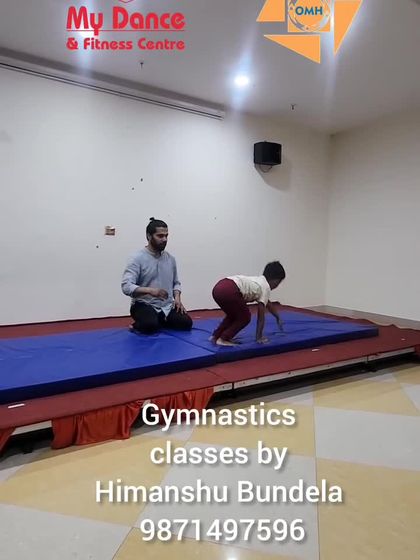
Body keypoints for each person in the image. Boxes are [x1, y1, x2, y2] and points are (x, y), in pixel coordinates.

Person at [121, 218, 193, 334]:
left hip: (166, 305)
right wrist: (151, 291)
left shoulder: (170, 259)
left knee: (186, 323)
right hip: (144, 304)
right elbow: (126, 286)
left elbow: (176, 283)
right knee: (149, 325)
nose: (164, 239)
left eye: (166, 236)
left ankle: (160, 319)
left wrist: (177, 299)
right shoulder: (136, 258)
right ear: (149, 236)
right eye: (160, 236)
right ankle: (140, 324)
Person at [211, 261, 286, 346]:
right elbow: (261, 316)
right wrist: (259, 337)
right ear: (275, 281)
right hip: (230, 290)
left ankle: (215, 335)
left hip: (219, 287)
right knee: (245, 317)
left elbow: (268, 303)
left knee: (233, 315)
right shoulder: (265, 287)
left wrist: (277, 316)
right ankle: (223, 339)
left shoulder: (259, 281)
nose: (277, 286)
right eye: (278, 283)